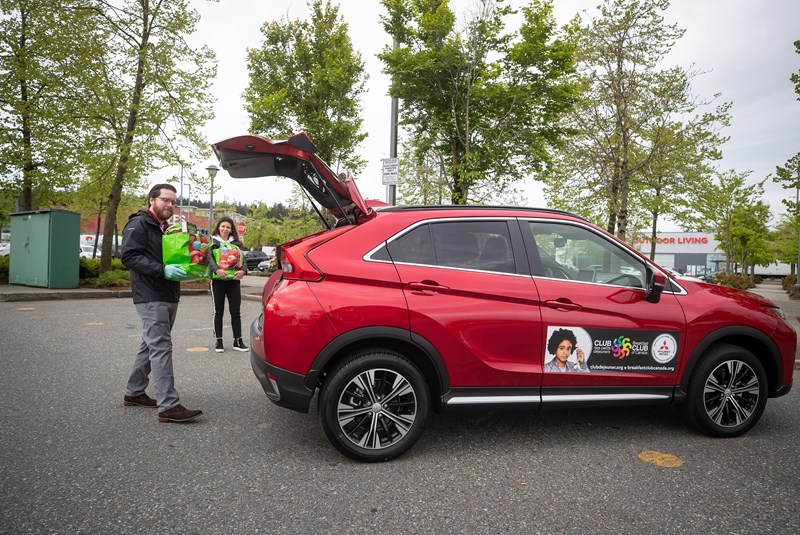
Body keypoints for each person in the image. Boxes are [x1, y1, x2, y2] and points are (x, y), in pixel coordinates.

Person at [120, 183, 203, 423]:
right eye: (166, 200)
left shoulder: (164, 227)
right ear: (152, 200)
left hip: (167, 293)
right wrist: (162, 269)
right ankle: (169, 406)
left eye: (174, 202)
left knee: (150, 345)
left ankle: (134, 392)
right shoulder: (139, 224)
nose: (170, 205)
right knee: (161, 347)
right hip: (150, 295)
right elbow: (129, 256)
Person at [209, 216, 248, 353]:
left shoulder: (237, 244)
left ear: (231, 230)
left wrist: (243, 271)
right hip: (218, 281)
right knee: (218, 311)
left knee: (235, 311)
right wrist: (216, 270)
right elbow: (209, 258)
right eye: (223, 226)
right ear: (218, 227)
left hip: (233, 281)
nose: (225, 229)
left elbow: (243, 259)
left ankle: (238, 340)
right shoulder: (212, 242)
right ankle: (218, 341)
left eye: (228, 227)